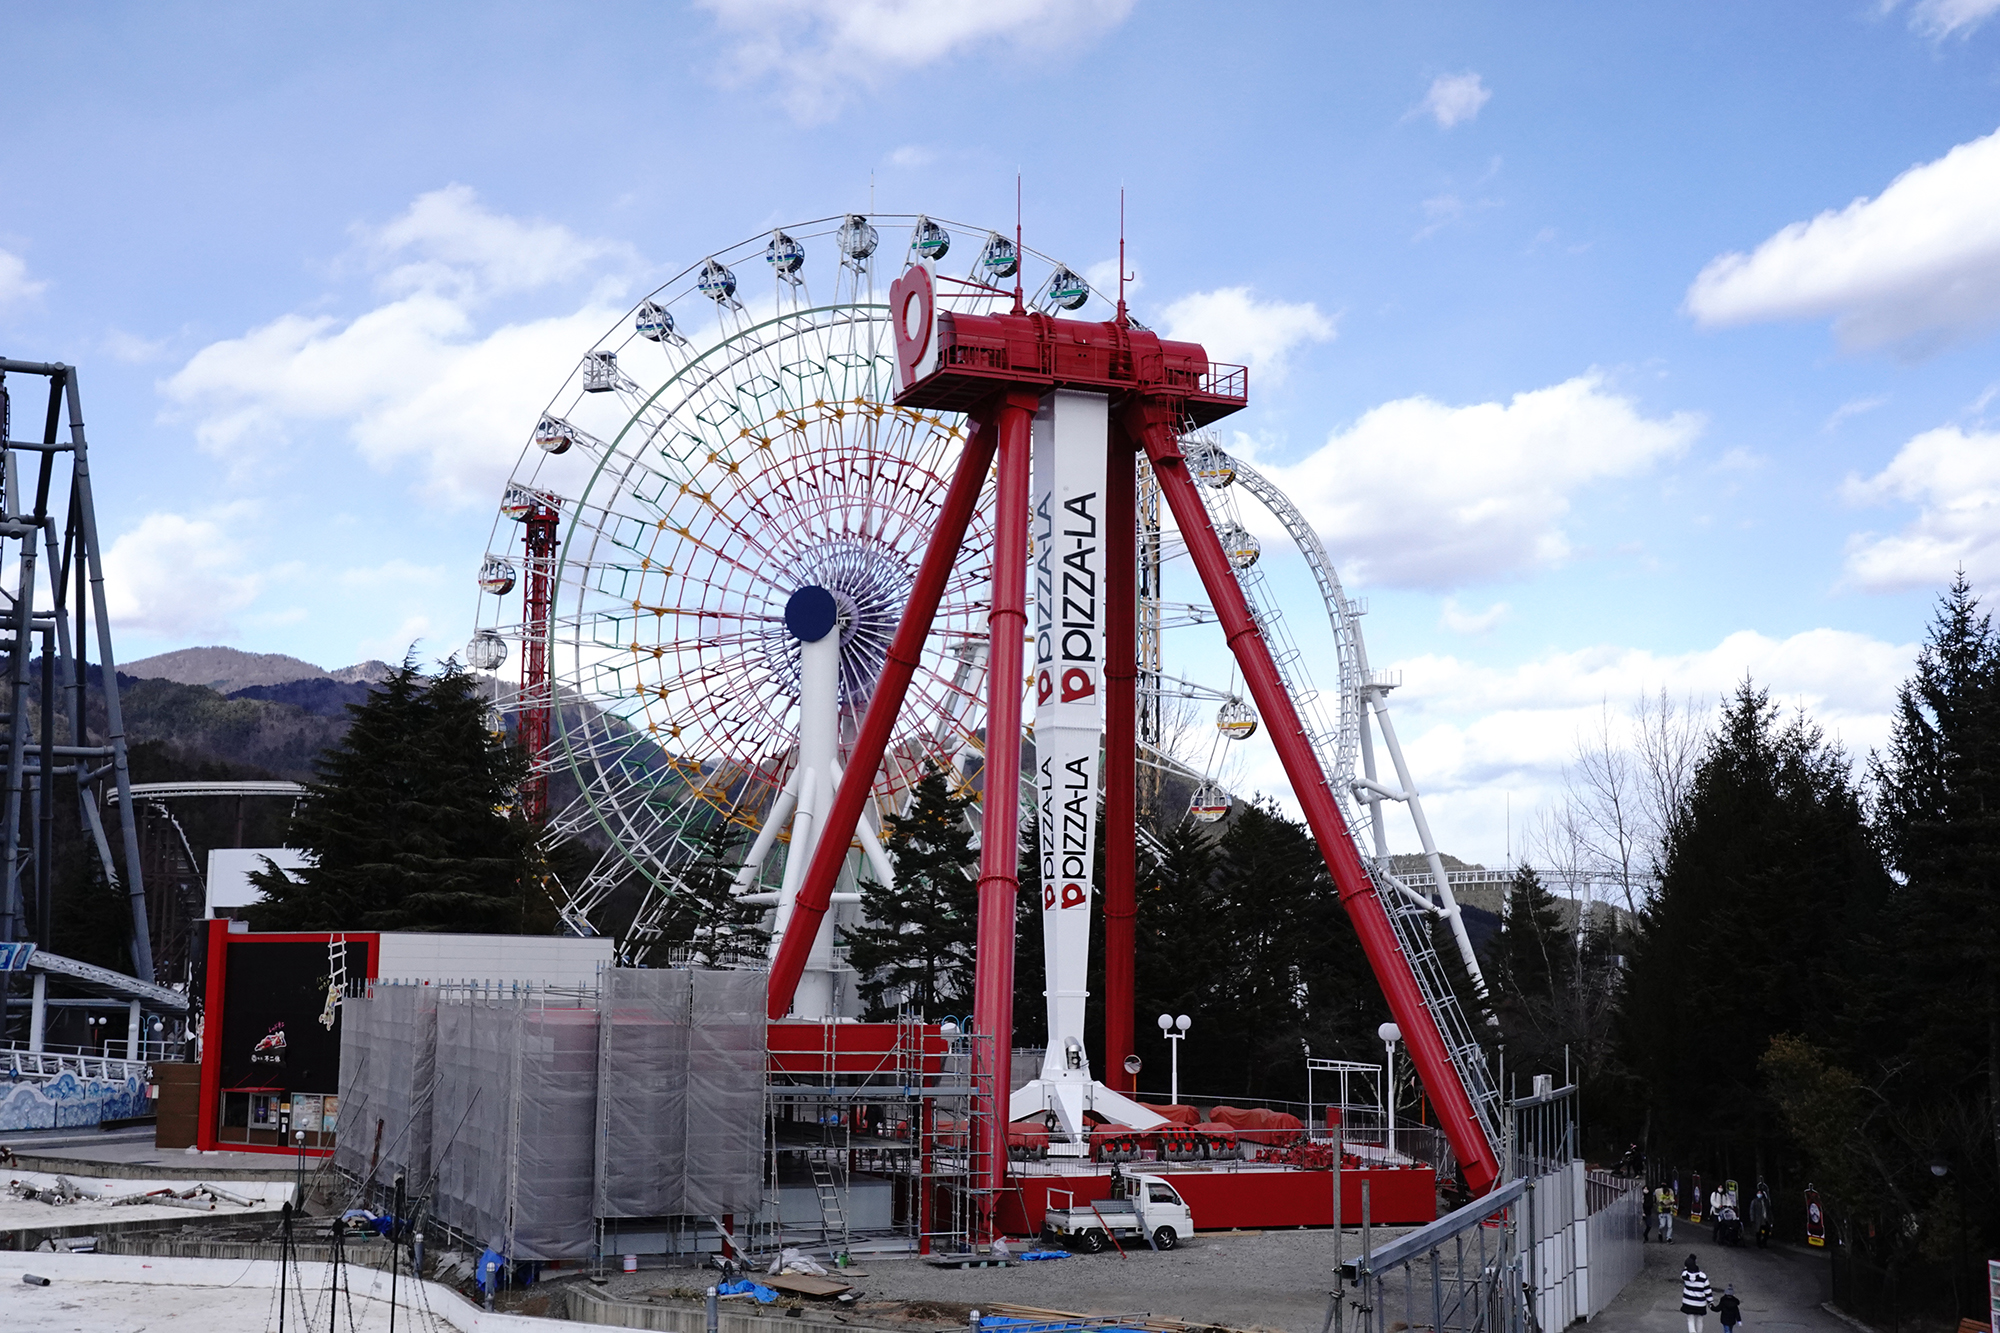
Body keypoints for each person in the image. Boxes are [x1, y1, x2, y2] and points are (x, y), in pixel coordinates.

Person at [1681, 1254, 1716, 1333]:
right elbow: (1707, 1291)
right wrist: (1710, 1303)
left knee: (1690, 1320)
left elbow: (1684, 1271)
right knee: (1699, 1320)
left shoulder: (1685, 1275)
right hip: (1700, 1303)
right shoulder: (1703, 1276)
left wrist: (1688, 1263)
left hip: (1688, 1302)